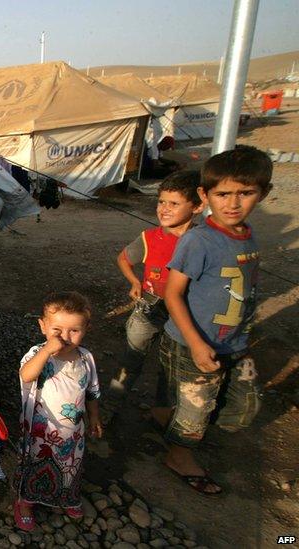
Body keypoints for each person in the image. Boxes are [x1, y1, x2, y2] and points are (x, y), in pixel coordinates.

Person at [158, 145, 272, 495]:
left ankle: (177, 424)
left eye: (245, 193)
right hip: (195, 340)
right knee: (196, 405)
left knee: (244, 406)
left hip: (234, 340)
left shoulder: (246, 235)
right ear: (205, 196)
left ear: (263, 193)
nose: (233, 203)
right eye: (223, 194)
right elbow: (172, 293)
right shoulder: (199, 240)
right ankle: (179, 453)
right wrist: (195, 343)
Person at [103, 171, 204, 422]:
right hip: (150, 306)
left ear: (198, 206)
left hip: (182, 312)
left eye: (174, 203)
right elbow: (124, 259)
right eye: (161, 202)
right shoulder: (150, 238)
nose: (164, 209)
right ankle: (108, 407)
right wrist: (135, 280)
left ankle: (162, 413)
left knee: (170, 366)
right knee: (131, 358)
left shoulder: (203, 241)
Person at [14, 292, 101, 531]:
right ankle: (25, 503)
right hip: (39, 432)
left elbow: (92, 391)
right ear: (43, 326)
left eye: (74, 330)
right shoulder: (37, 354)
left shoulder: (86, 358)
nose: (65, 337)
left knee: (69, 466)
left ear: (86, 328)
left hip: (72, 434)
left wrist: (94, 417)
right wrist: (46, 352)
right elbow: (26, 375)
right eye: (57, 330)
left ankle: (66, 497)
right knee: (33, 465)